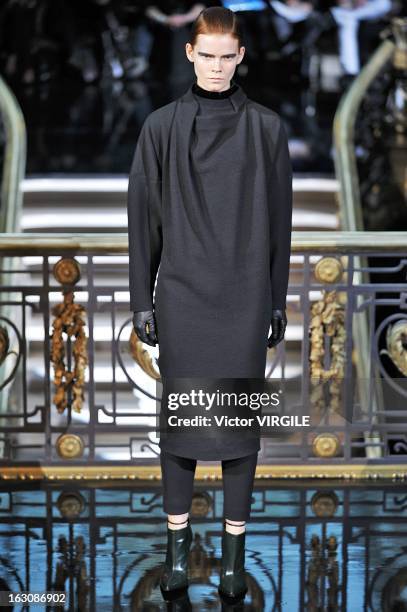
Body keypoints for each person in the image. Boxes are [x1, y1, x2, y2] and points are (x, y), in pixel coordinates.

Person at [127, 6, 292, 602]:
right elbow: (142, 217)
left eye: (229, 56)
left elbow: (281, 223)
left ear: (241, 55)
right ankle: (176, 557)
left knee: (237, 428)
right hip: (183, 295)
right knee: (182, 423)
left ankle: (231, 560)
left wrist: (276, 299)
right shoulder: (161, 127)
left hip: (245, 293)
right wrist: (140, 299)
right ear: (191, 53)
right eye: (209, 55)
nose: (218, 67)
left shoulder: (267, 128)